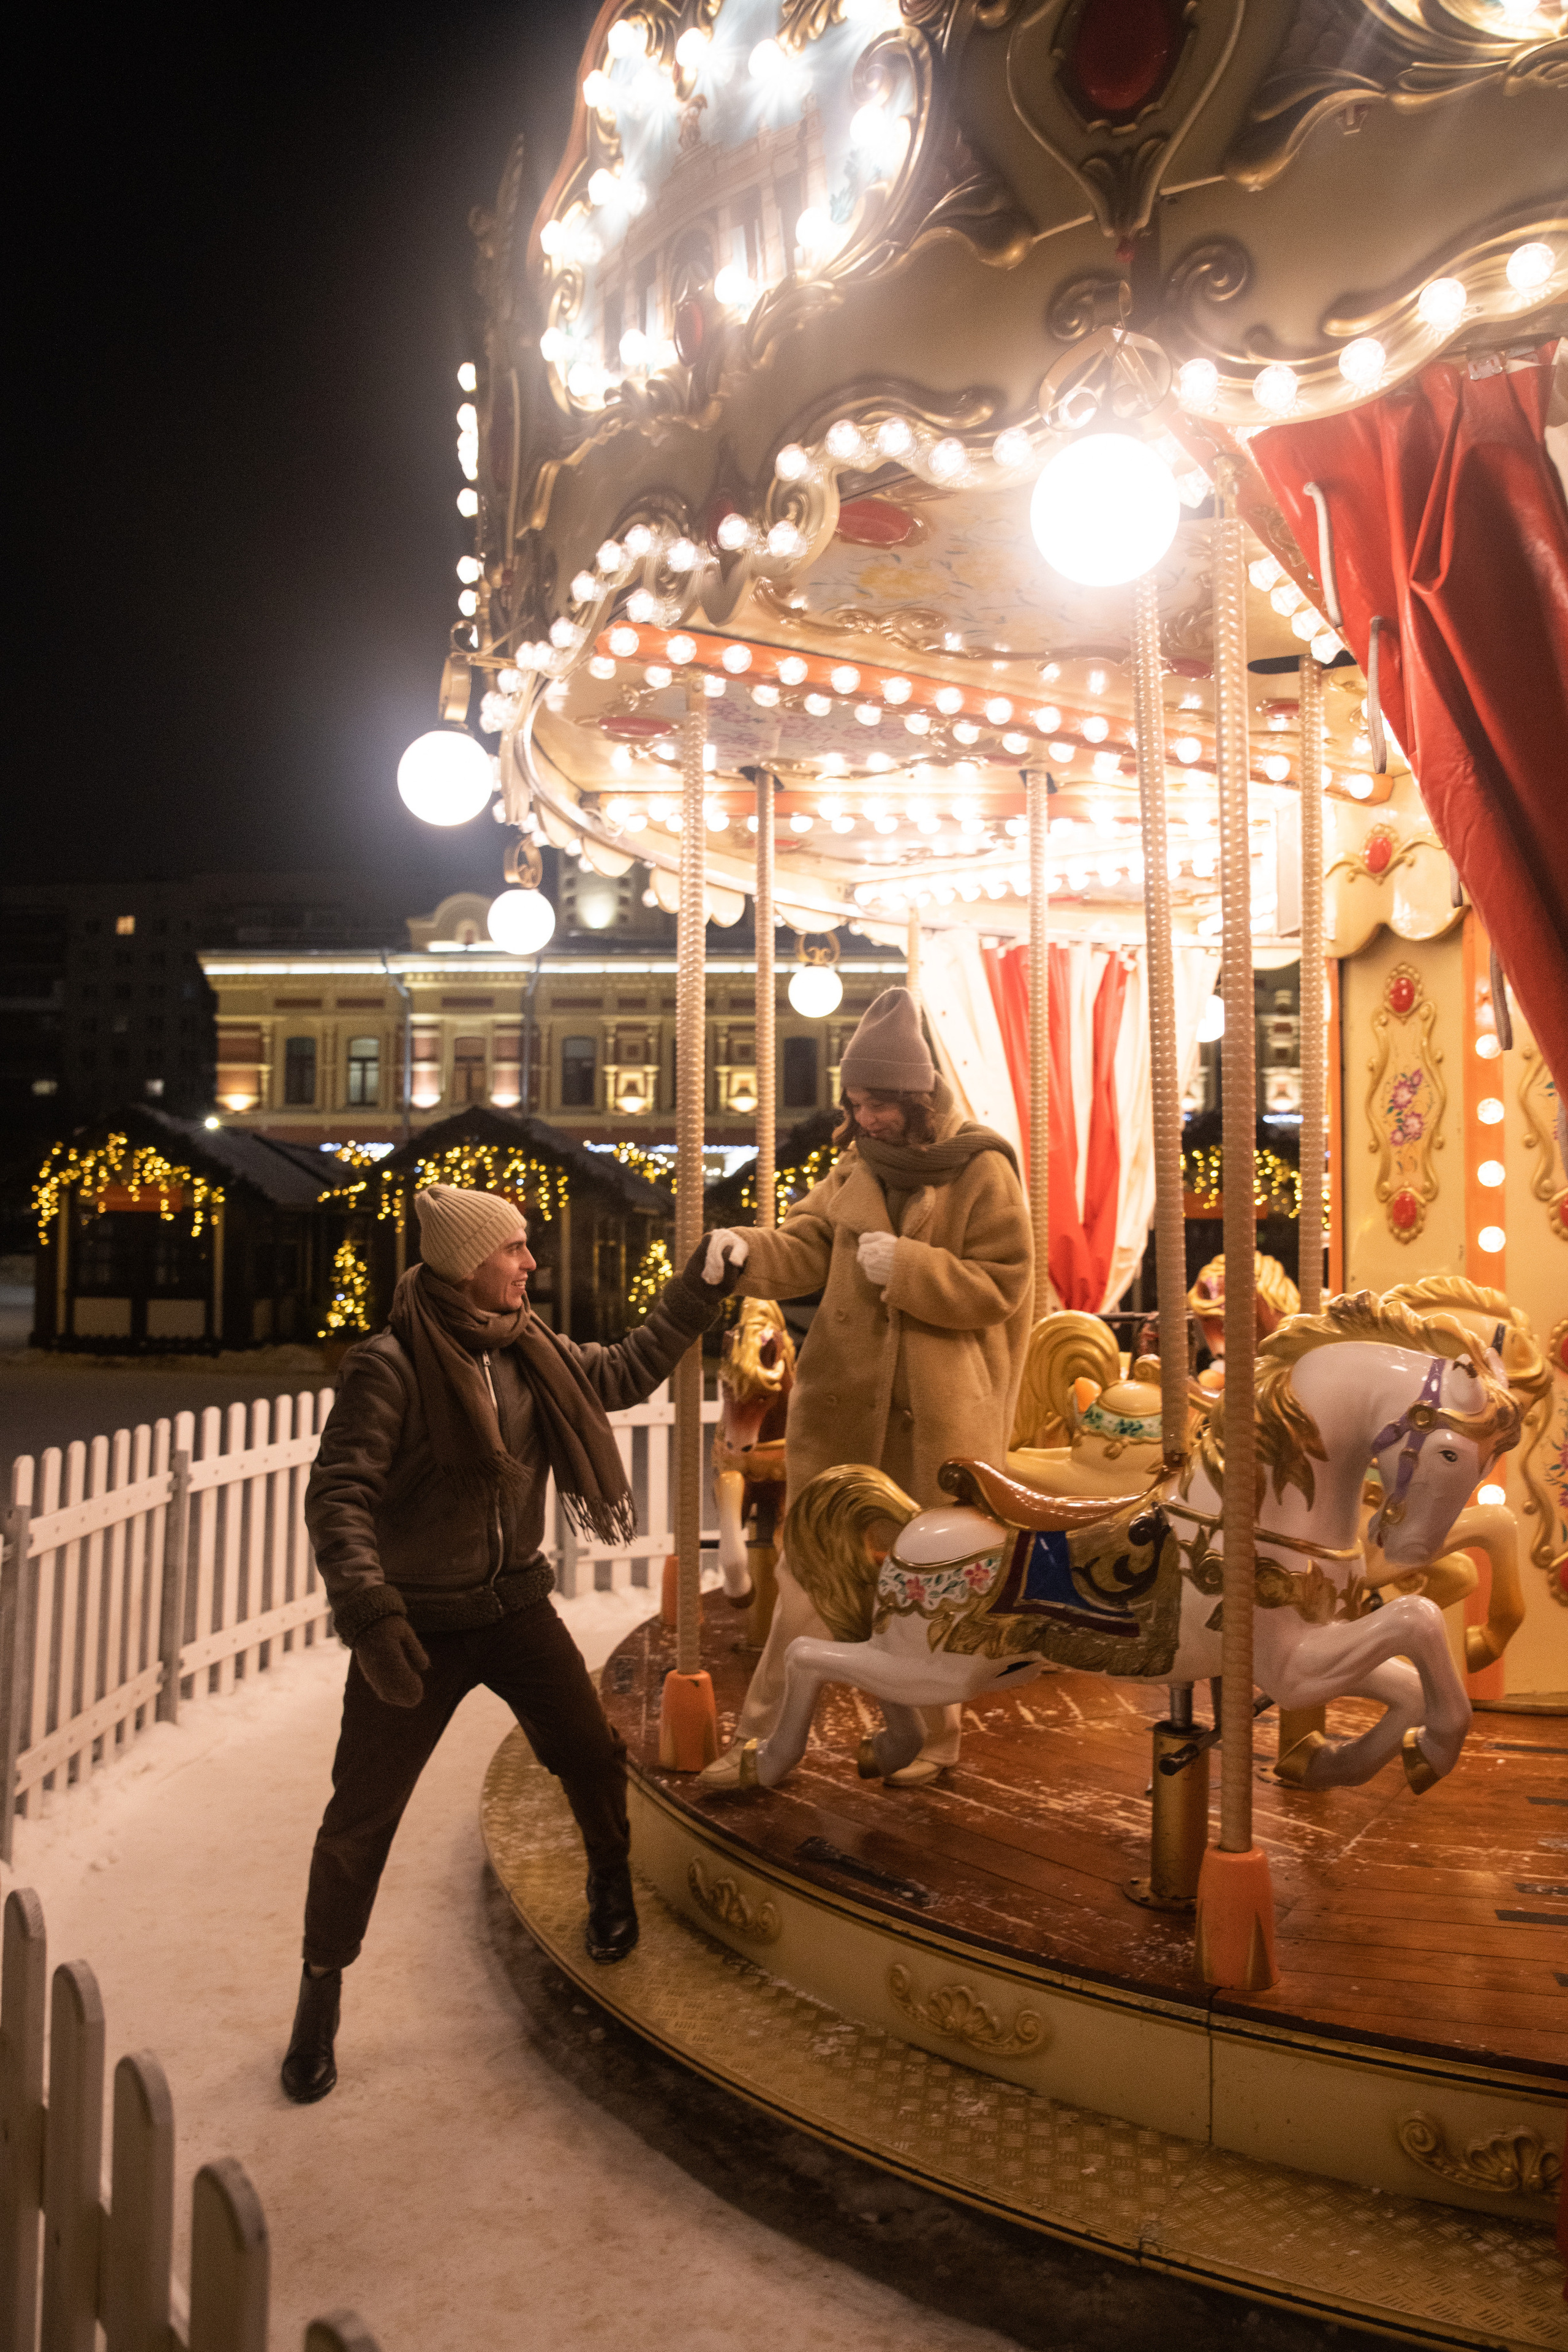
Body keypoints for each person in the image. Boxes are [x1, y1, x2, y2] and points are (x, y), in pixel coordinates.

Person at [281, 1182, 732, 2105]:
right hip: (417, 1629)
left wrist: (695, 1292)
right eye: (514, 1249)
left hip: (516, 1612)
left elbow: (621, 1371)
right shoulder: (393, 1366)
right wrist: (371, 1613)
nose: (532, 1264)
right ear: (463, 1264)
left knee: (590, 1754)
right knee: (359, 1819)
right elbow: (340, 1497)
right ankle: (319, 1993)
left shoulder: (529, 1349)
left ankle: (610, 1884)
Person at [700, 987, 1033, 1782]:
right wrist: (744, 1251)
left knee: (926, 1593)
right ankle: (757, 1744)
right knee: (810, 1581)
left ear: (917, 1099)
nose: (866, 1118)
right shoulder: (857, 1166)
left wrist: (912, 1269)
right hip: (846, 1419)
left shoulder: (981, 1170)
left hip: (938, 1422)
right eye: (856, 1102)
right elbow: (807, 1245)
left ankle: (933, 1739)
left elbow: (1007, 1284)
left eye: (879, 1103)